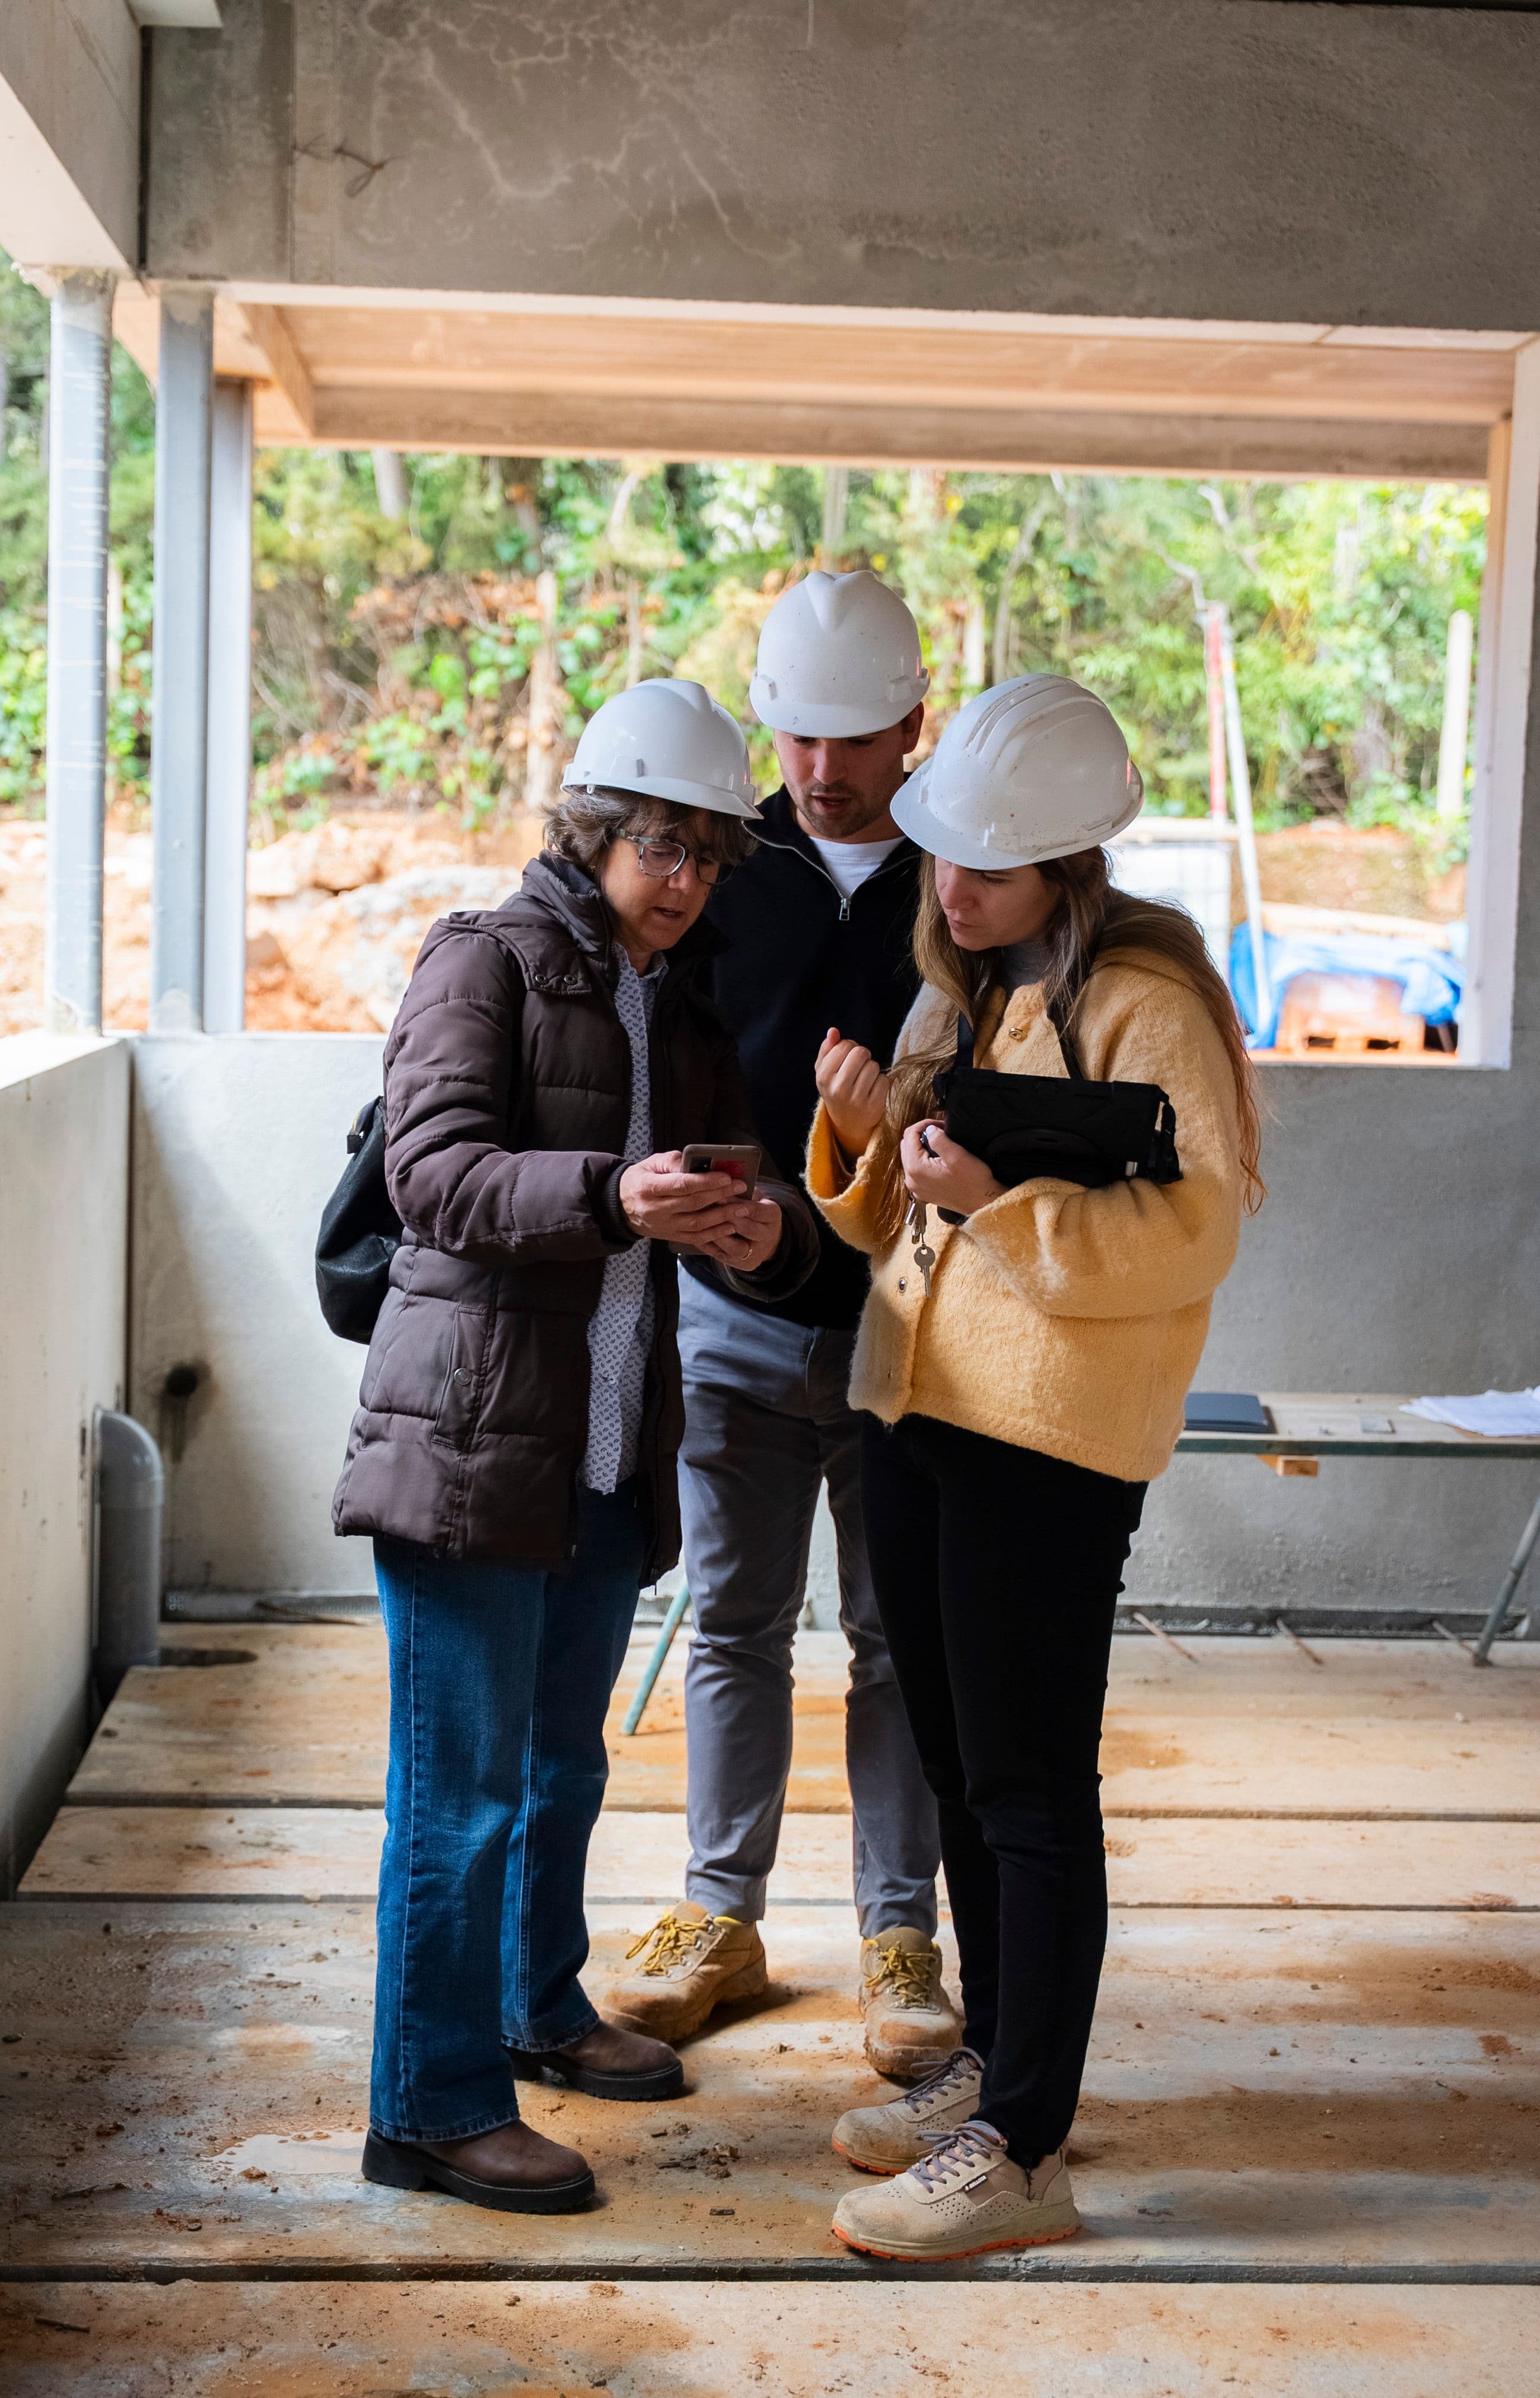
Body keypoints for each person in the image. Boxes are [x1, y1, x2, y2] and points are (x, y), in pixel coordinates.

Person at [333, 677, 817, 2217]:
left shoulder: (674, 999)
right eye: (659, 847)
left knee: (559, 1766)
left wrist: (757, 1230)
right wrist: (614, 1199)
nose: (681, 881)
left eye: (706, 855)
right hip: (476, 1442)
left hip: (603, 1453)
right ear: (594, 828)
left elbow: (727, 1193)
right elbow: (433, 1177)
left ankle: (540, 2009)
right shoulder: (482, 961)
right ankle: (428, 2104)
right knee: (459, 1791)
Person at [807, 674, 1261, 2261]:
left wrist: (1001, 1195)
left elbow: (1197, 1227)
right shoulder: (968, 988)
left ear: (1071, 865)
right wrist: (864, 1143)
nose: (952, 889)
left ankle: (1027, 2152)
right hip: (919, 1416)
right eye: (944, 860)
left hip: (1046, 1444)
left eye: (987, 870)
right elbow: (893, 1223)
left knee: (1029, 1791)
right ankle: (996, 2081)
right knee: (961, 1771)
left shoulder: (1150, 1002)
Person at [605, 572, 953, 2080]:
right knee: (732, 1624)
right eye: (800, 733)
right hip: (730, 1313)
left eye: (857, 735)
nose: (822, 767)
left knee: (897, 1638)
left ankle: (900, 1935)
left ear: (915, 728)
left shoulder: (966, 879)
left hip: (908, 1325)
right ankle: (720, 1913)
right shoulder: (716, 871)